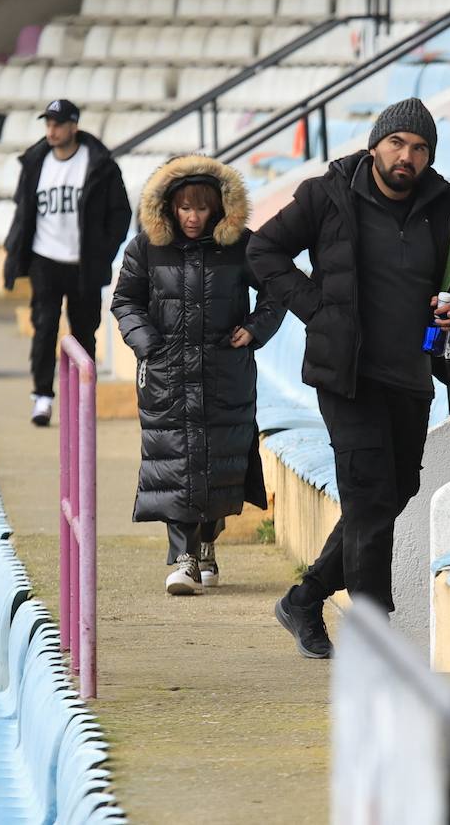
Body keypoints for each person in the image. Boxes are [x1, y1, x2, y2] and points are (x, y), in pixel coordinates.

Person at [247, 97, 450, 659]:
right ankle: (374, 635)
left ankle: (307, 594)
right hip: (347, 374)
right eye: (397, 143)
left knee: (398, 490)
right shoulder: (327, 194)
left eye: (419, 148)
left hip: (412, 373)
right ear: (375, 145)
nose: (407, 157)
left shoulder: (444, 204)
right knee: (371, 500)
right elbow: (263, 250)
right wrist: (315, 309)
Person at [112, 155, 284, 596]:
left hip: (224, 373)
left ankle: (208, 542)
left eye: (201, 208)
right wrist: (147, 342)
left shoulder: (242, 245)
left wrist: (254, 328)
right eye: (185, 207)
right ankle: (183, 558)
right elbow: (125, 302)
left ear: (218, 208)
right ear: (168, 206)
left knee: (218, 463)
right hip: (167, 373)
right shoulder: (145, 248)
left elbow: (278, 287)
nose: (192, 217)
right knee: (176, 461)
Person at [3, 98, 132, 426]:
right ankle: (42, 396)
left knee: (84, 331)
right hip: (45, 259)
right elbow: (23, 212)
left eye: (58, 124)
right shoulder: (36, 162)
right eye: (48, 124)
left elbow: (121, 212)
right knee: (44, 326)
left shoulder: (98, 163)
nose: (52, 130)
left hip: (84, 263)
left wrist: (103, 250)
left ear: (74, 126)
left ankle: (82, 399)